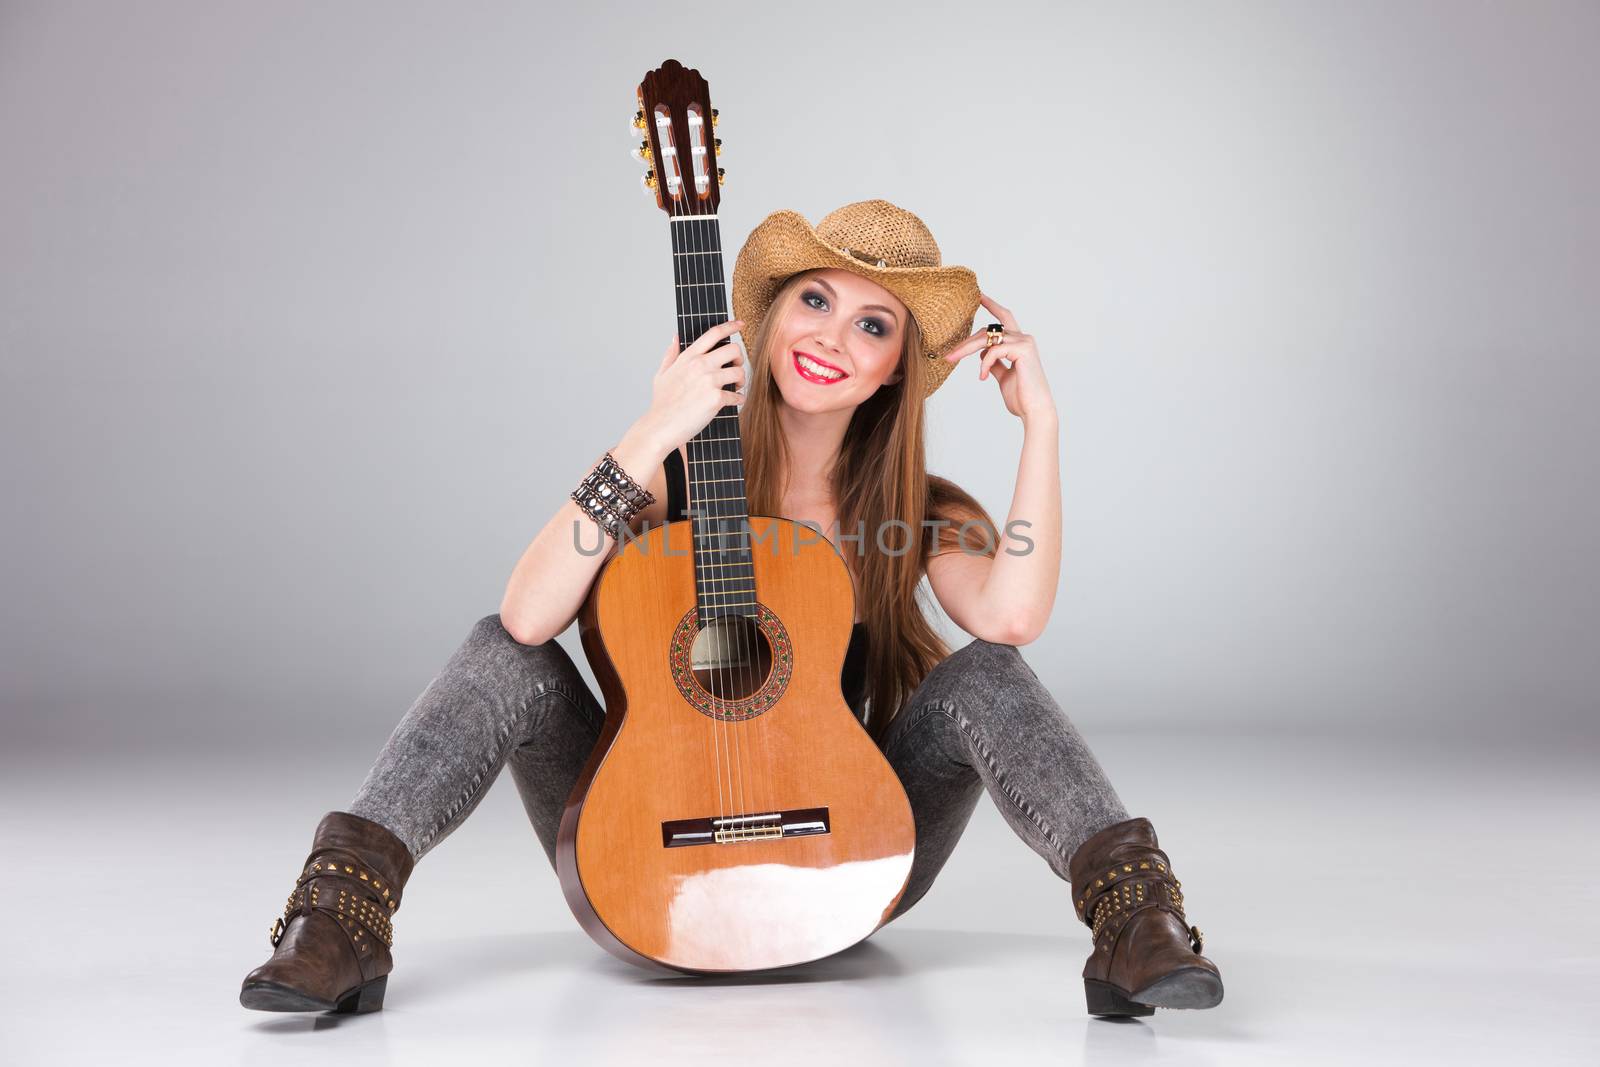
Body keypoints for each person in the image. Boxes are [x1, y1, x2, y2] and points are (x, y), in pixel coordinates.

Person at [239, 199, 1223, 1019]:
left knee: (988, 674)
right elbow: (529, 616)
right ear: (767, 317)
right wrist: (651, 427)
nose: (833, 337)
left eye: (872, 325)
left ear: (896, 371)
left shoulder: (913, 510)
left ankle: (1134, 923)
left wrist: (1040, 424)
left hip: (844, 844)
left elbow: (1010, 618)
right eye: (815, 299)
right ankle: (340, 921)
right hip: (634, 836)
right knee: (499, 650)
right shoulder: (669, 474)